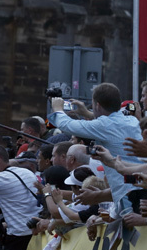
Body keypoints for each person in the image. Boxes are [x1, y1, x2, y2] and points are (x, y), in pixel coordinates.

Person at [49, 84, 142, 212]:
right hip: (139, 185)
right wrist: (88, 113)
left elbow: (67, 125)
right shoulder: (131, 120)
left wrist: (58, 109)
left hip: (128, 196)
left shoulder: (105, 125)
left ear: (97, 105)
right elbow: (111, 120)